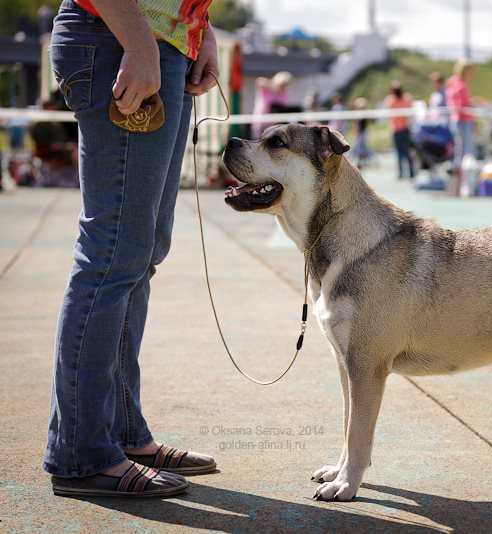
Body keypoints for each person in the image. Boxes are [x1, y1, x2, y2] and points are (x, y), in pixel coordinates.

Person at [45, 0, 219, 498]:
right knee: (113, 255)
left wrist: (201, 30)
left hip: (158, 45)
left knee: (139, 254)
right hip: (119, 38)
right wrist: (140, 44)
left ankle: (119, 434)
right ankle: (82, 454)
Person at [446, 59, 477, 168]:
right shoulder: (459, 84)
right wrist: (470, 106)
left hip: (461, 120)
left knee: (462, 149)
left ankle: (460, 170)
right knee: (464, 150)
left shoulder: (454, 82)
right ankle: (461, 172)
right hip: (462, 120)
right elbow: (458, 105)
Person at [384, 81, 415, 179]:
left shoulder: (398, 99)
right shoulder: (395, 99)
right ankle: (404, 173)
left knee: (405, 152)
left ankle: (409, 172)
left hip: (403, 130)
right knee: (401, 152)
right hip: (398, 130)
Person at [252, 71, 294, 138]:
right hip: (260, 123)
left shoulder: (284, 94)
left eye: (285, 85)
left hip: (273, 125)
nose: (283, 86)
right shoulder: (265, 89)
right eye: (282, 84)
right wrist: (274, 85)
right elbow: (259, 81)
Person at [351, 97, 372, 168]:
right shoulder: (358, 113)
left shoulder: (362, 113)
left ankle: (360, 162)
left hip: (362, 133)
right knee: (358, 148)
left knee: (360, 148)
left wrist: (357, 131)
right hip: (360, 133)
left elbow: (358, 125)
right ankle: (359, 162)